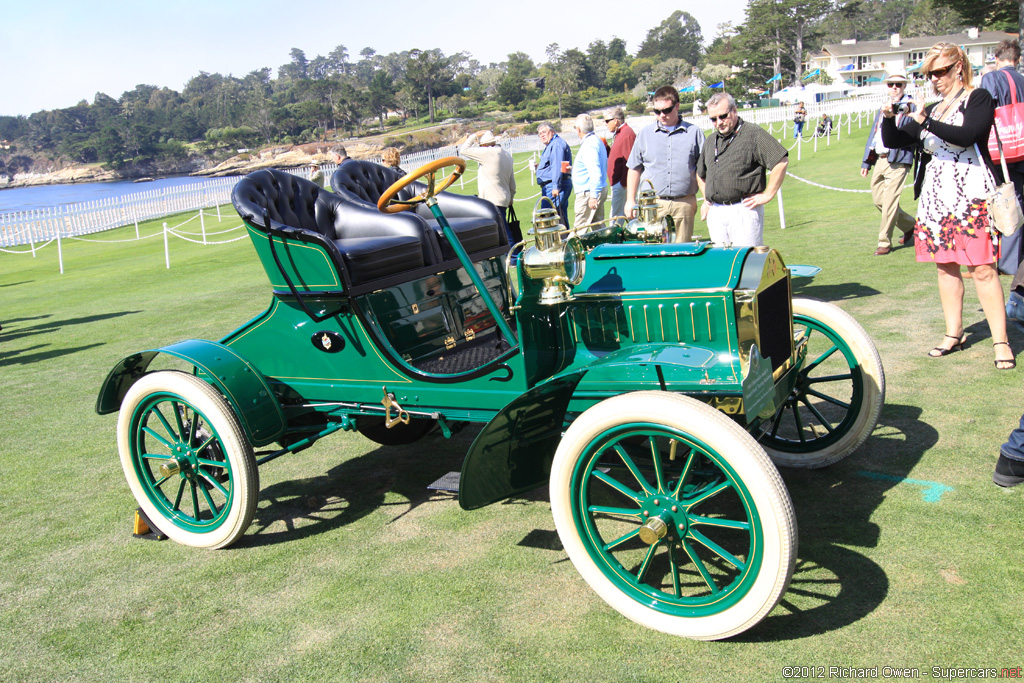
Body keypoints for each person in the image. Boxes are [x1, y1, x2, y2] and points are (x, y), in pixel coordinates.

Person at [881, 42, 1014, 370]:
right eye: (929, 74)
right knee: (945, 267)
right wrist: (887, 119)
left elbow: (969, 134)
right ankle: (954, 333)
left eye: (940, 71)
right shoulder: (936, 107)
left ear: (958, 66)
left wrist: (925, 121)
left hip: (971, 200)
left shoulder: (978, 97)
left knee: (982, 269)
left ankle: (1001, 341)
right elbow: (898, 140)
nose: (935, 79)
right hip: (935, 202)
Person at [696, 92, 789, 247]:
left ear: (735, 111)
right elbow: (700, 174)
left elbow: (780, 160)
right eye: (713, 119)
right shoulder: (711, 140)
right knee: (721, 265)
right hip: (716, 212)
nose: (719, 122)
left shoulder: (753, 134)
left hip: (743, 210)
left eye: (723, 116)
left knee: (747, 263)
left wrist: (767, 195)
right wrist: (706, 199)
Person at [625, 85, 704, 242]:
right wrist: (630, 200)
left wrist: (707, 201)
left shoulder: (694, 133)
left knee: (681, 254)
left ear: (677, 106)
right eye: (657, 111)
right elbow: (634, 168)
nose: (662, 115)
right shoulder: (645, 134)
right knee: (652, 255)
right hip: (652, 206)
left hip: (684, 203)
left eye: (667, 110)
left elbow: (702, 171)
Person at [981, 39, 1024, 276]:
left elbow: (986, 107)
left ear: (996, 58)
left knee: (1000, 203)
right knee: (1016, 200)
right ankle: (1012, 259)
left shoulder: (992, 78)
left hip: (1000, 150)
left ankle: (1003, 262)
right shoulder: (1022, 80)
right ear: (1016, 60)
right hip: (1021, 148)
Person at [861, 74, 916, 256]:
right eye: (891, 84)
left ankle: (884, 242)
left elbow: (911, 131)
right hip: (881, 158)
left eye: (898, 84)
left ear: (904, 86)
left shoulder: (910, 106)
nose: (894, 87)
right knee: (879, 200)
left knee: (890, 201)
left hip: (900, 158)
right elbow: (874, 134)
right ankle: (911, 226)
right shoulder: (883, 106)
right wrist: (866, 162)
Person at [460, 130, 519, 241]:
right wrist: (511, 197)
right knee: (502, 231)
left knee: (504, 233)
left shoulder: (487, 153)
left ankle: (514, 256)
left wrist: (473, 136)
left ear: (485, 145)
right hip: (504, 198)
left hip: (492, 200)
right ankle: (511, 256)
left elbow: (464, 150)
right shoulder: (506, 155)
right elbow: (512, 182)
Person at [570, 114, 609, 229]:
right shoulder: (596, 141)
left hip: (588, 192)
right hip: (596, 188)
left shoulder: (589, 145)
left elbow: (595, 171)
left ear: (579, 129)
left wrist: (593, 195)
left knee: (579, 229)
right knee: (598, 227)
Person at [536, 122, 573, 228]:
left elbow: (557, 166)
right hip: (553, 185)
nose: (542, 135)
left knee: (548, 218)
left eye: (544, 132)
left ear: (552, 132)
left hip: (554, 186)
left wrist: (556, 187)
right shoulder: (552, 145)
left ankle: (555, 242)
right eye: (540, 134)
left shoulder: (556, 144)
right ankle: (564, 241)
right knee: (560, 217)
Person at [604, 107, 636, 221]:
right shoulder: (620, 133)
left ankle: (615, 238)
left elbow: (630, 161)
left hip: (621, 184)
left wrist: (623, 183)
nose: (606, 124)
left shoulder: (627, 134)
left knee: (616, 217)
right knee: (621, 216)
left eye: (607, 121)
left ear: (615, 120)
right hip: (619, 182)